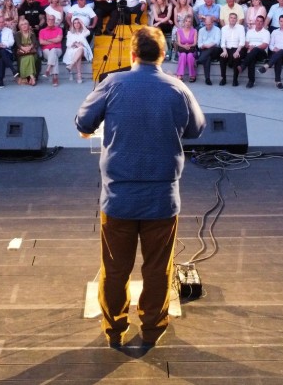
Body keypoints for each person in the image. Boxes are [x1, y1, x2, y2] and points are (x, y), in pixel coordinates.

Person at [75, 26, 205, 348]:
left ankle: (115, 330)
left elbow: (82, 122)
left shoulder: (113, 84)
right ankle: (151, 328)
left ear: (132, 54)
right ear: (163, 55)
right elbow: (197, 128)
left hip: (118, 198)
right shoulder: (177, 88)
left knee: (115, 270)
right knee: (158, 269)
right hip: (162, 199)